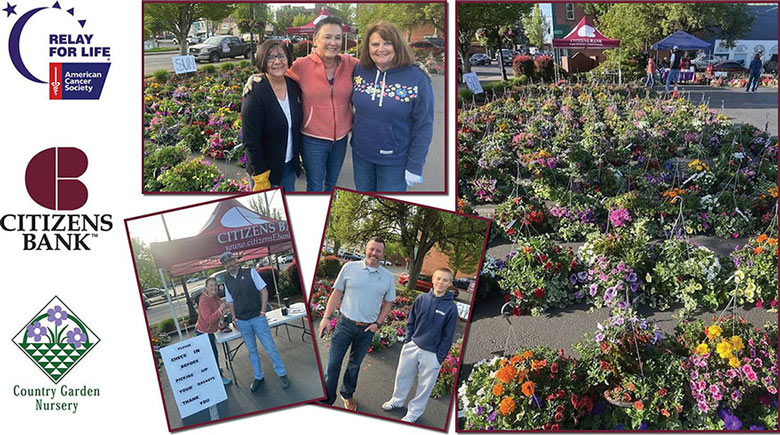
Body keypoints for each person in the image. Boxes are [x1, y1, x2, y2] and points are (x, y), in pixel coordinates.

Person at [244, 17, 359, 192]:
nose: (333, 42)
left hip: (341, 139)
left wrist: (408, 71)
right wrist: (255, 77)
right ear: (316, 40)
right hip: (313, 139)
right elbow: (275, 69)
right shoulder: (302, 66)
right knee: (315, 185)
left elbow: (378, 67)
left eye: (337, 37)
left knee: (332, 185)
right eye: (327, 37)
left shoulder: (352, 64)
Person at [350, 21, 434, 192]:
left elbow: (424, 125)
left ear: (397, 45)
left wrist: (415, 165)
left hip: (394, 161)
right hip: (361, 155)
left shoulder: (417, 78)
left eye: (387, 43)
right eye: (375, 44)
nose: (381, 48)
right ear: (368, 48)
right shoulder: (360, 70)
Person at [317, 237, 396, 410]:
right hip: (345, 324)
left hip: (367, 330)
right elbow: (337, 293)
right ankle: (326, 400)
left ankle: (347, 393)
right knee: (333, 364)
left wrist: (378, 323)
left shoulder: (388, 277)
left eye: (378, 251)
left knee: (354, 365)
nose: (374, 253)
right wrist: (326, 317)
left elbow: (389, 302)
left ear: (383, 254)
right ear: (366, 249)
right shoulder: (349, 268)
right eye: (372, 249)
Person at [382, 268, 458, 423]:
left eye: (445, 280)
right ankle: (397, 400)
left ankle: (414, 413)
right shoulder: (422, 299)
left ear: (450, 283)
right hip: (413, 346)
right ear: (433, 280)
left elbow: (448, 336)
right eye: (438, 278)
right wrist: (408, 341)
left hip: (432, 354)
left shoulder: (451, 308)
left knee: (425, 387)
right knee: (402, 376)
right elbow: (411, 322)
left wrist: (439, 357)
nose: (440, 282)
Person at [220, 251, 289, 392]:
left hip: (258, 318)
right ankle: (258, 377)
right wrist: (234, 317)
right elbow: (230, 301)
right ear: (224, 265)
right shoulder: (227, 280)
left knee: (270, 348)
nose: (229, 264)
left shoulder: (250, 272)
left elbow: (264, 291)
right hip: (242, 322)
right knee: (252, 351)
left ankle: (282, 374)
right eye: (226, 263)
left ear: (235, 260)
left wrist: (263, 312)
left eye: (230, 261)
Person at [242, 40, 303, 192]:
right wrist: (261, 176)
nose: (277, 61)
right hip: (265, 172)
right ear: (263, 61)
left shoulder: (294, 87)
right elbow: (250, 141)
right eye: (270, 58)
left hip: (288, 167)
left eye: (281, 56)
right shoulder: (255, 94)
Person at [195, 277, 232, 385]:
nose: (214, 287)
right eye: (211, 285)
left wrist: (222, 316)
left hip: (211, 331)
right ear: (206, 288)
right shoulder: (203, 301)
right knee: (212, 355)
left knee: (214, 354)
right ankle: (218, 377)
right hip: (203, 332)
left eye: (215, 285)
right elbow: (209, 319)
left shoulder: (215, 297)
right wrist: (220, 310)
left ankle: (216, 370)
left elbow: (220, 309)